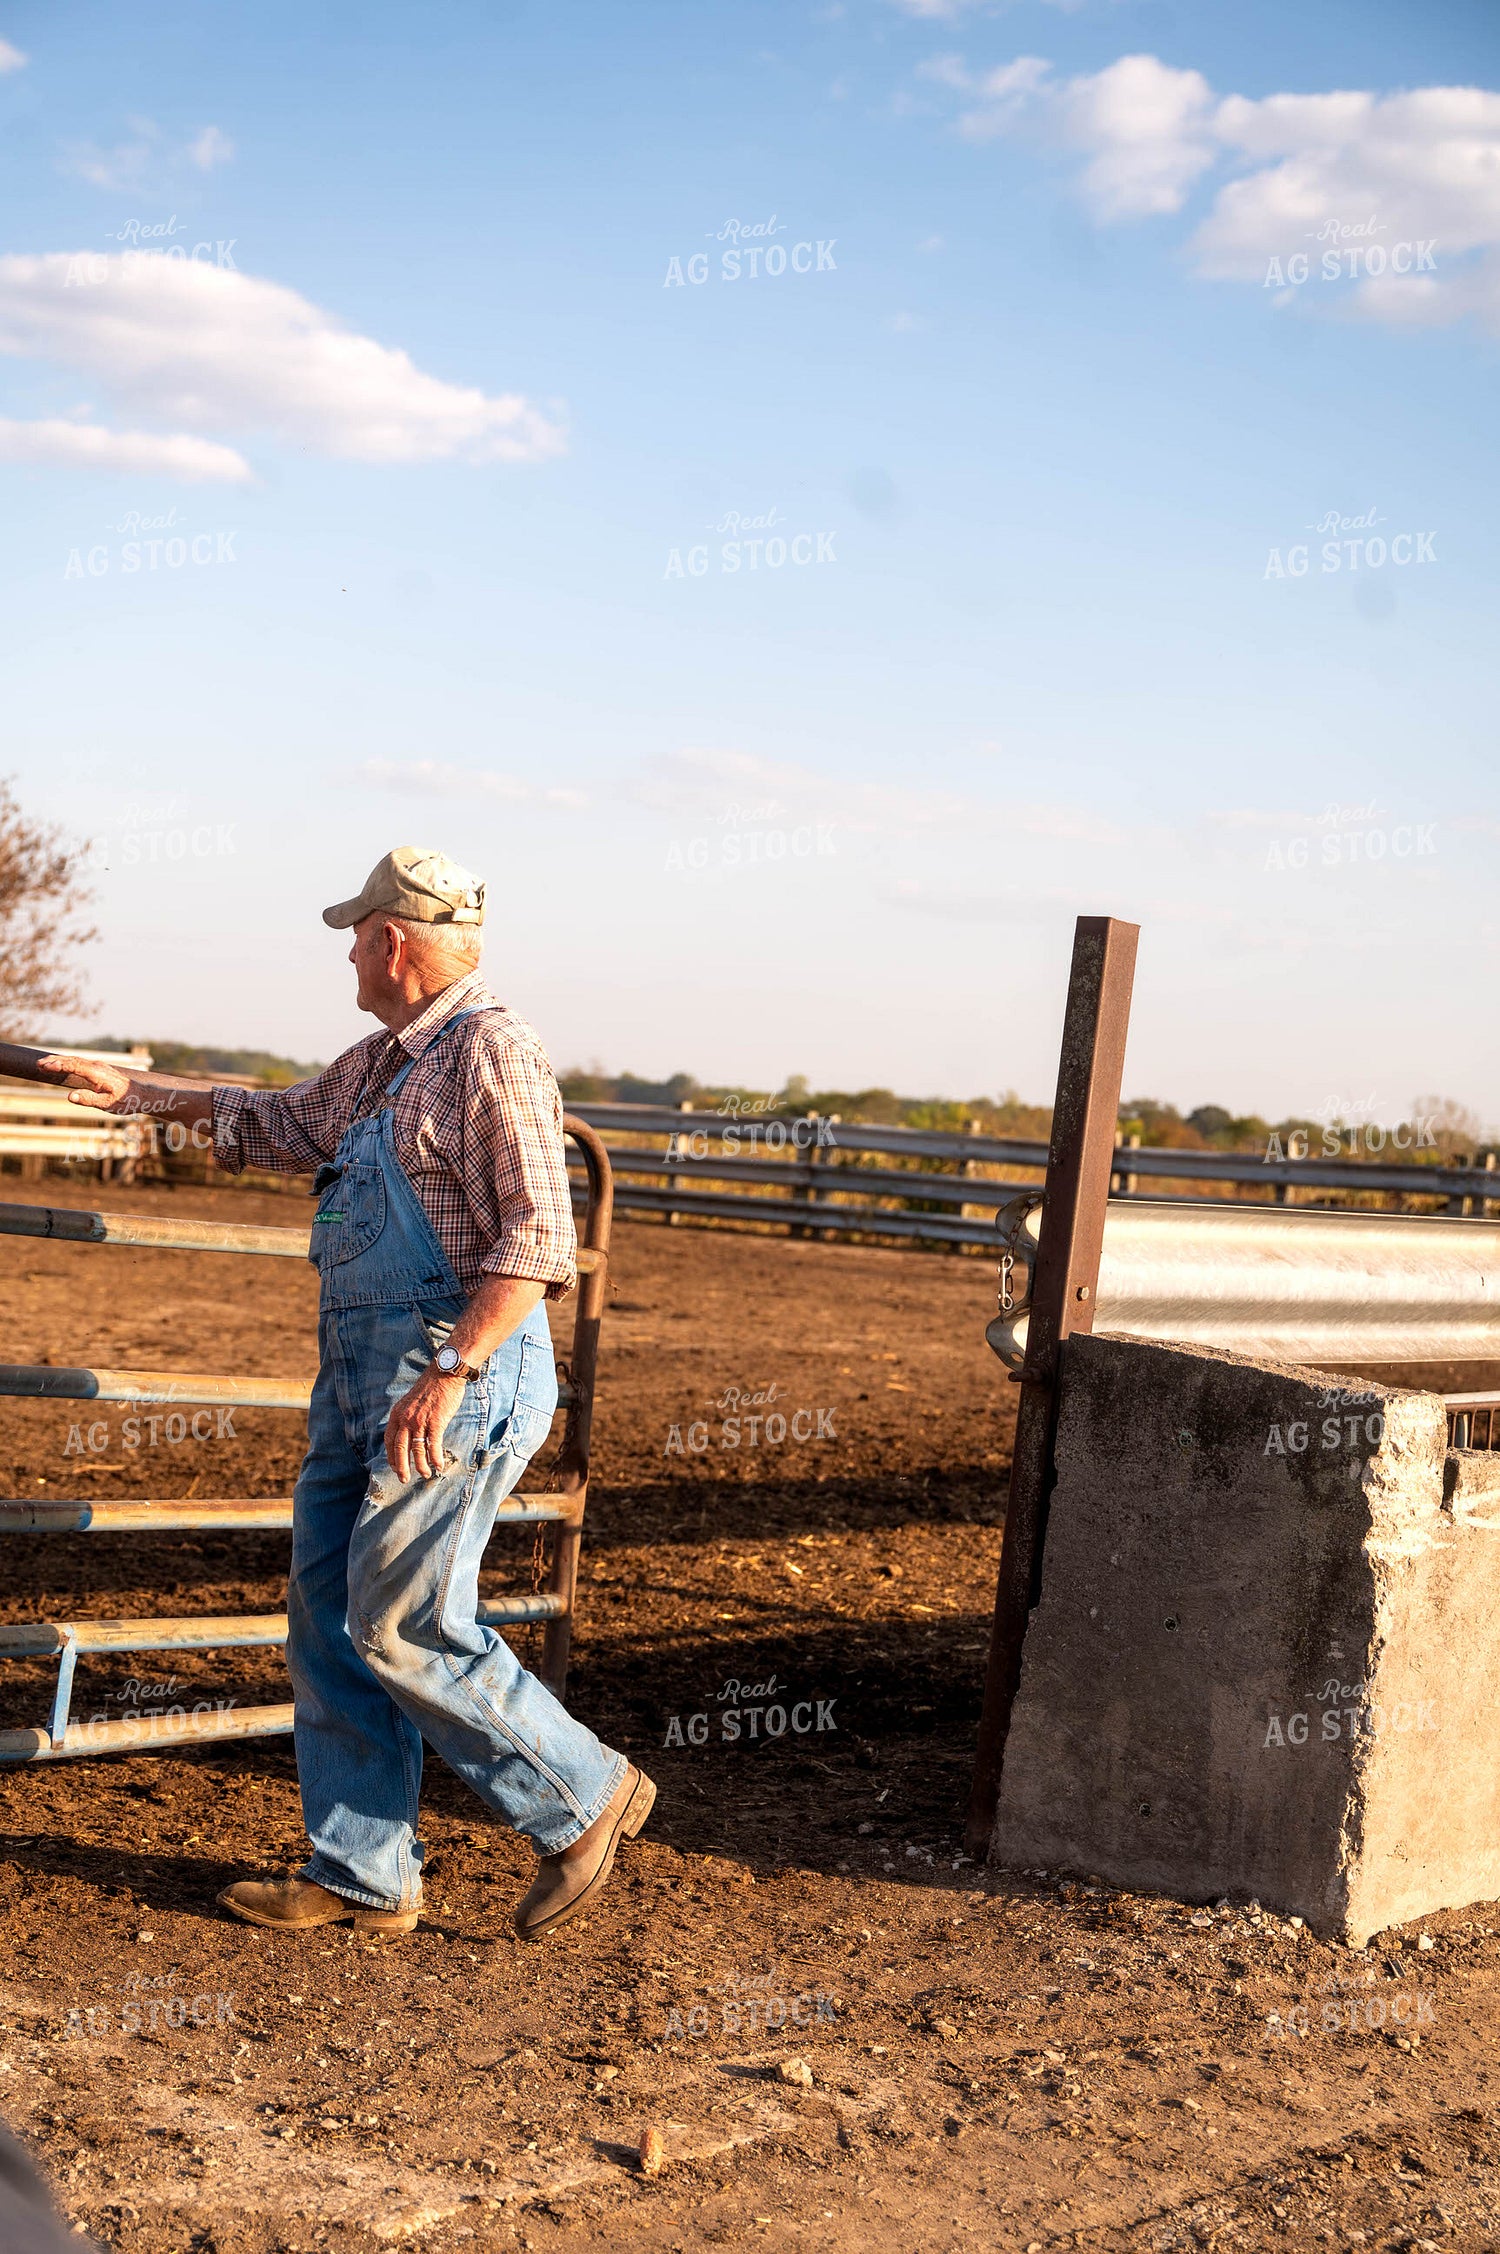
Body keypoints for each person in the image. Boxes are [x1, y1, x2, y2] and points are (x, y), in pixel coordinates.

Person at [44, 846, 653, 1942]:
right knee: (328, 1618)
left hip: (450, 1371)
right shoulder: (381, 1066)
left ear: (391, 940)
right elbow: (273, 1121)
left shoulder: (492, 1049)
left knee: (401, 1617)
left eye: (356, 939)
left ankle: (581, 1793)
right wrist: (132, 1090)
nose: (350, 959)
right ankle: (363, 1871)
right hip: (360, 1376)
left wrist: (452, 1369)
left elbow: (538, 1238)